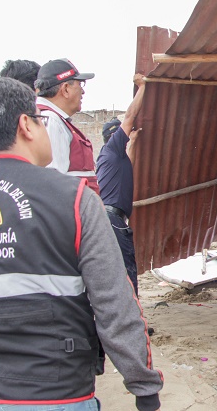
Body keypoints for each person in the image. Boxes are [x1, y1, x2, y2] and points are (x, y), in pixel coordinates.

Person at [0, 77, 162, 410]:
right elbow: (114, 303)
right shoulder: (74, 199)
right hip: (55, 395)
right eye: (39, 119)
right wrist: (144, 388)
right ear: (26, 125)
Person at [97, 74, 146, 295]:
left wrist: (133, 143)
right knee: (127, 270)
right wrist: (142, 88)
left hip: (111, 220)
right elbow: (129, 117)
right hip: (112, 219)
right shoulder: (112, 150)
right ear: (115, 136)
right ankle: (134, 322)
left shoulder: (113, 158)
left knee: (121, 271)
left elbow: (130, 166)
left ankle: (130, 318)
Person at [35, 58, 100, 194]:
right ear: (65, 89)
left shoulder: (51, 118)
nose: (83, 92)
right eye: (80, 84)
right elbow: (51, 185)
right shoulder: (52, 121)